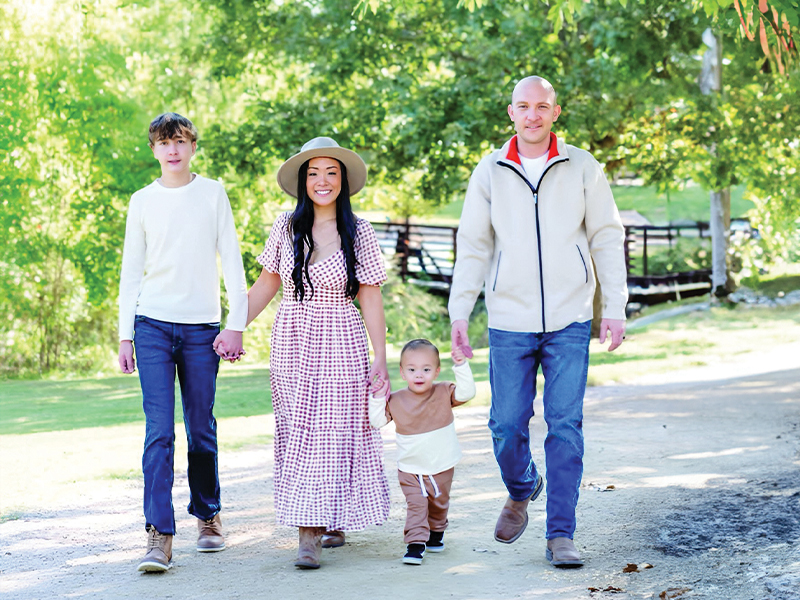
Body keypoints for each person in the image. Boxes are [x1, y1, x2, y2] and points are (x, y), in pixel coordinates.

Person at [448, 76, 628, 568]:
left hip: (571, 317)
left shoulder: (582, 166)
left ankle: (560, 534)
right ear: (511, 112)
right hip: (508, 319)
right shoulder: (489, 170)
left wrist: (614, 305)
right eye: (524, 106)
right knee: (506, 425)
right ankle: (523, 486)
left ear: (555, 111)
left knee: (565, 426)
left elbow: (606, 236)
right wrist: (460, 310)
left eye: (542, 106)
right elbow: (473, 245)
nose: (533, 115)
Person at [244, 137, 391, 570]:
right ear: (302, 181)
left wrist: (380, 358)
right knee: (301, 431)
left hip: (341, 336)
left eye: (331, 172)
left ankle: (316, 528)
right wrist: (231, 328)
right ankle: (313, 520)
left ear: (342, 180)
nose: (322, 181)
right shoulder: (284, 226)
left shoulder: (359, 231)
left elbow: (370, 295)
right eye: (313, 173)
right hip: (292, 339)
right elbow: (267, 284)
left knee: (335, 429)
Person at [118, 112, 248, 572]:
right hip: (151, 326)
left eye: (180, 141)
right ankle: (159, 534)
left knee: (200, 428)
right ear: (153, 149)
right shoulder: (142, 201)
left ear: (192, 146)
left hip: (201, 329)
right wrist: (125, 334)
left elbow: (232, 260)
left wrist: (236, 323)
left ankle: (208, 516)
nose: (172, 149)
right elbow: (131, 272)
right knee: (159, 433)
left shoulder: (212, 193)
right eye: (163, 142)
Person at [369, 339, 476, 565]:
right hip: (410, 468)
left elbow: (467, 392)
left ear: (436, 371)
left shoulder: (443, 391)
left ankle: (436, 531)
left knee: (439, 502)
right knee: (417, 505)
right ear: (402, 372)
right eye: (412, 369)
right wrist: (377, 397)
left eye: (426, 369)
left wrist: (461, 365)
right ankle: (416, 543)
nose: (419, 374)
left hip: (442, 464)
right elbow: (377, 421)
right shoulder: (396, 400)